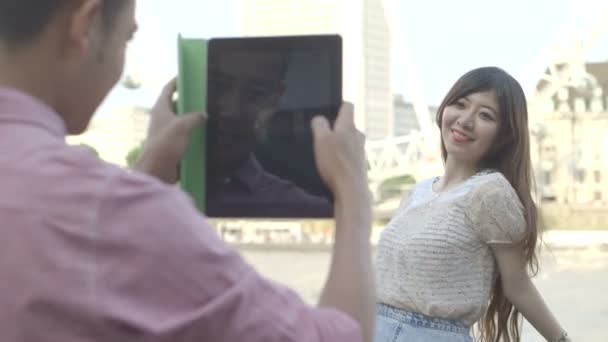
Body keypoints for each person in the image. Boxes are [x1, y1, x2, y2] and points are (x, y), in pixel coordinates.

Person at [0, 1, 375, 341]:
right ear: (86, 23)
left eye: (255, 91)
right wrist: (354, 194)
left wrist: (144, 175)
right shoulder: (111, 209)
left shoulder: (104, 208)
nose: (231, 108)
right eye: (126, 40)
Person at [374, 67, 572, 342]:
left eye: (485, 115)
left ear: (504, 135)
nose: (465, 121)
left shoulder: (490, 192)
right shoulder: (417, 193)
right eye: (460, 104)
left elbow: (517, 286)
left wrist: (562, 341)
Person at [206, 46, 333, 218]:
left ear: (275, 100)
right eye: (219, 87)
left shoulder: (304, 207)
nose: (233, 110)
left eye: (256, 94)